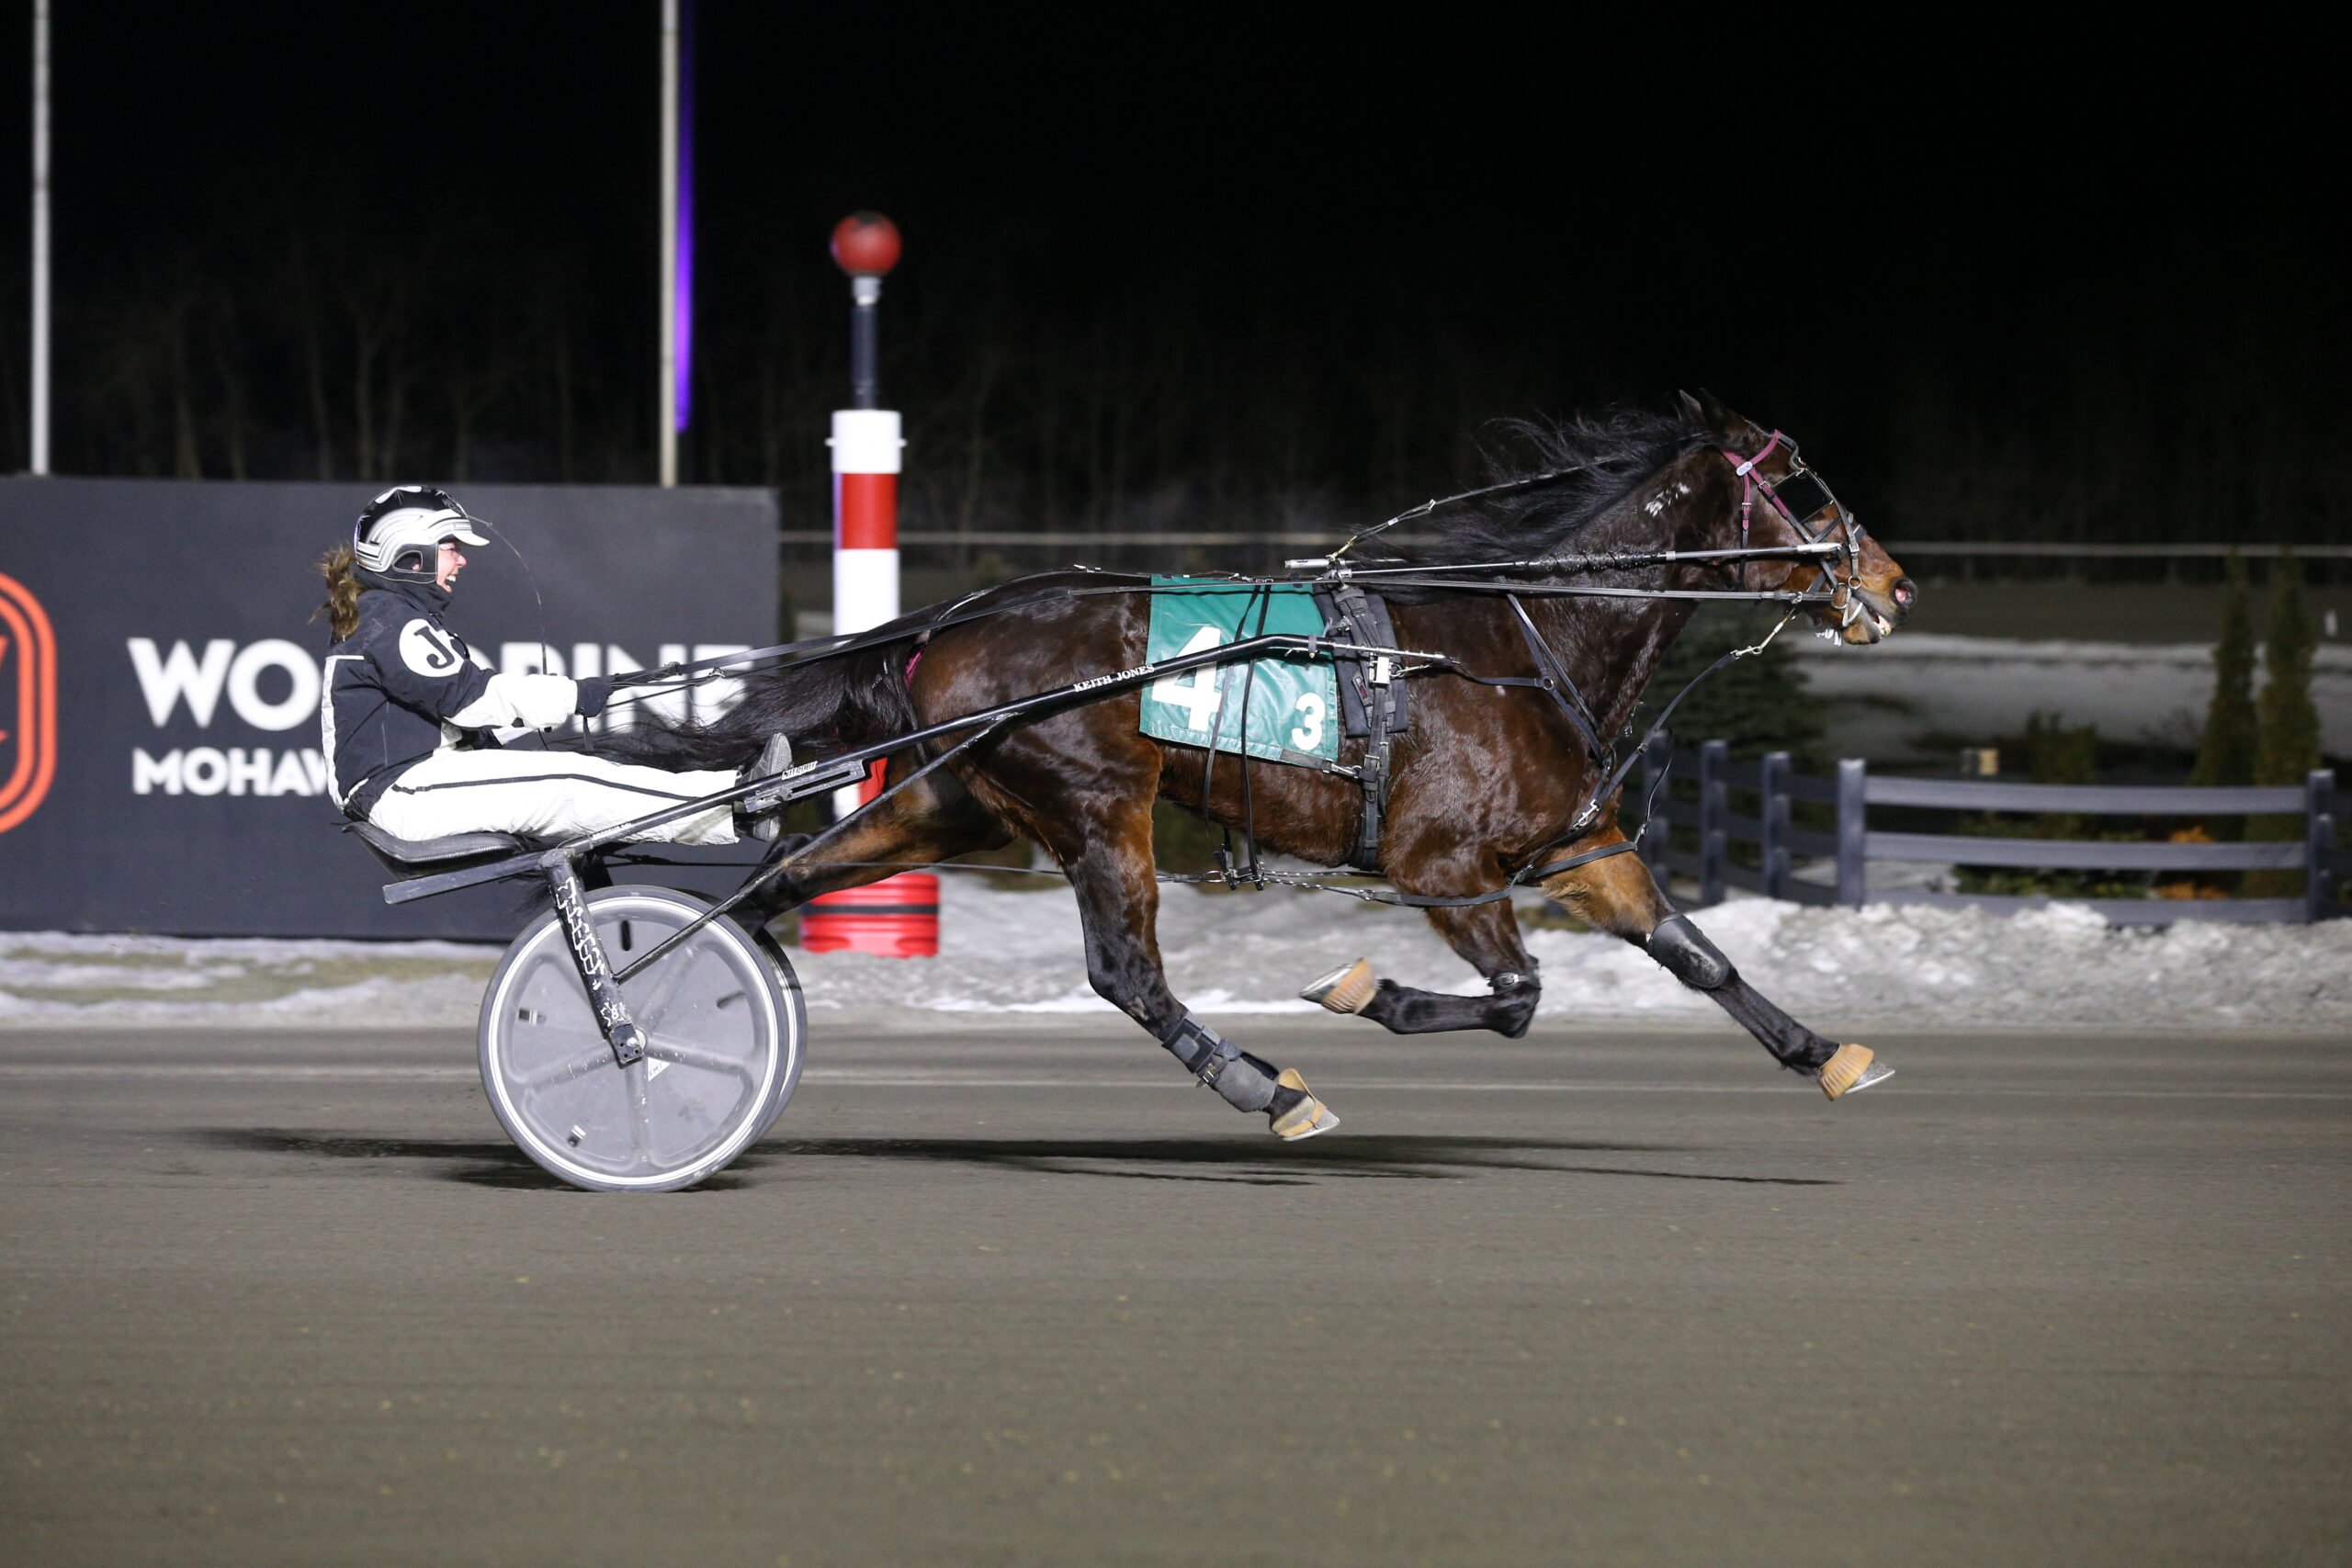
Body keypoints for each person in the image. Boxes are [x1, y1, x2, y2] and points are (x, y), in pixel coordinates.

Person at [316, 485, 789, 847]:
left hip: (407, 784)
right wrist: (574, 695)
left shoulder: (388, 616)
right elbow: (471, 700)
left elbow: (459, 722)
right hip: (400, 793)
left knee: (573, 776)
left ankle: (732, 803)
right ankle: (737, 801)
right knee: (569, 782)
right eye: (450, 547)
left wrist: (575, 699)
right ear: (410, 555)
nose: (461, 560)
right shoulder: (388, 619)